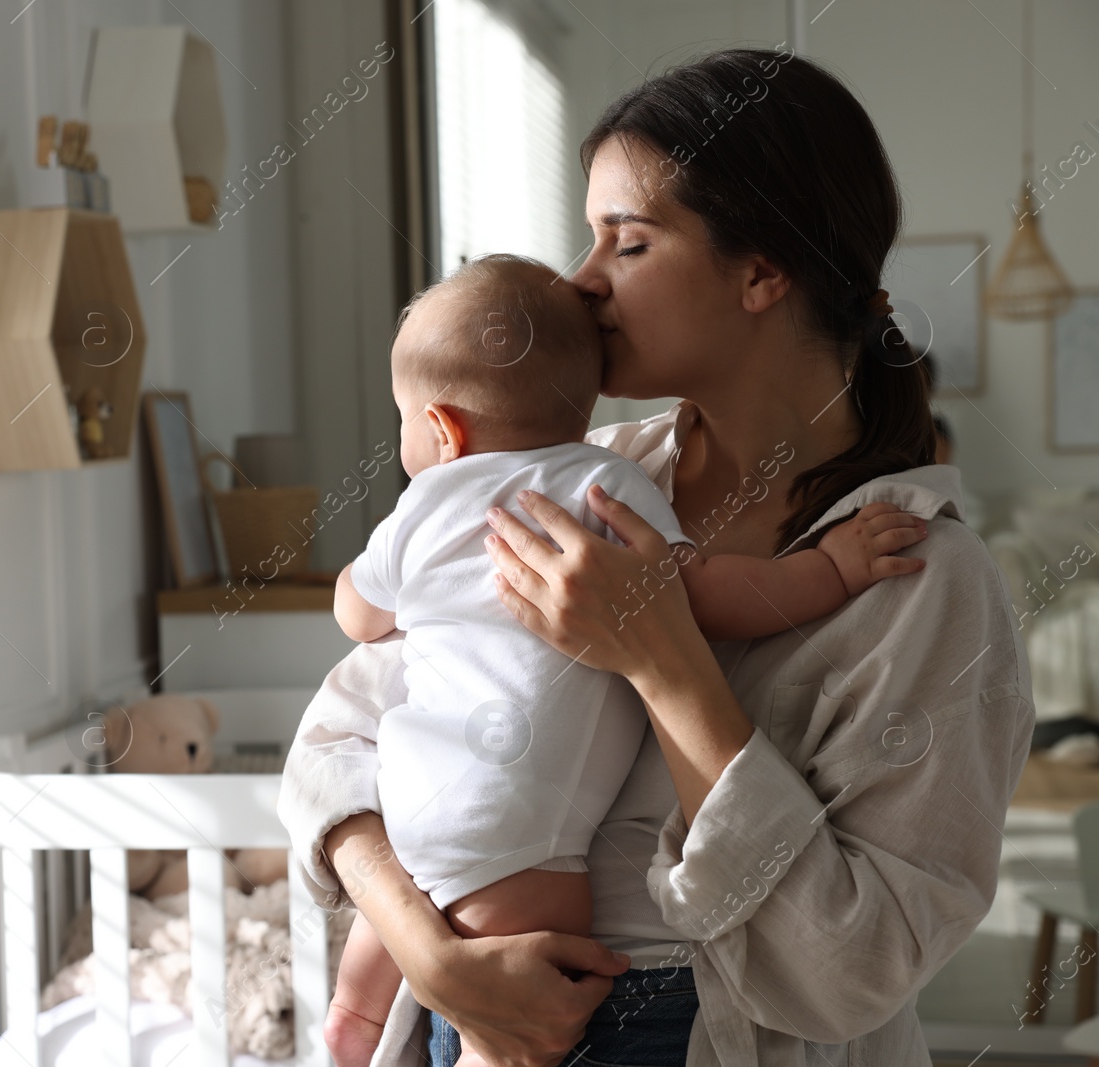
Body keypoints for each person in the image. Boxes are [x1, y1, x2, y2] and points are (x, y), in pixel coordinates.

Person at [276, 47, 1034, 1067]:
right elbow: (334, 745)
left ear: (762, 271)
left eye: (625, 243)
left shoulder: (921, 585)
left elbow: (852, 967)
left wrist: (662, 655)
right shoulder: (565, 485)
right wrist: (431, 951)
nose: (581, 282)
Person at [321, 254, 928, 1067]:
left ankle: (348, 1027)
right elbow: (708, 594)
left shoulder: (422, 507)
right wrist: (829, 571)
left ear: (442, 429)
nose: (590, 275)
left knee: (376, 986)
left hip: (415, 812)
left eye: (627, 239)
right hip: (517, 852)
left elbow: (357, 619)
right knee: (509, 1024)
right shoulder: (610, 480)